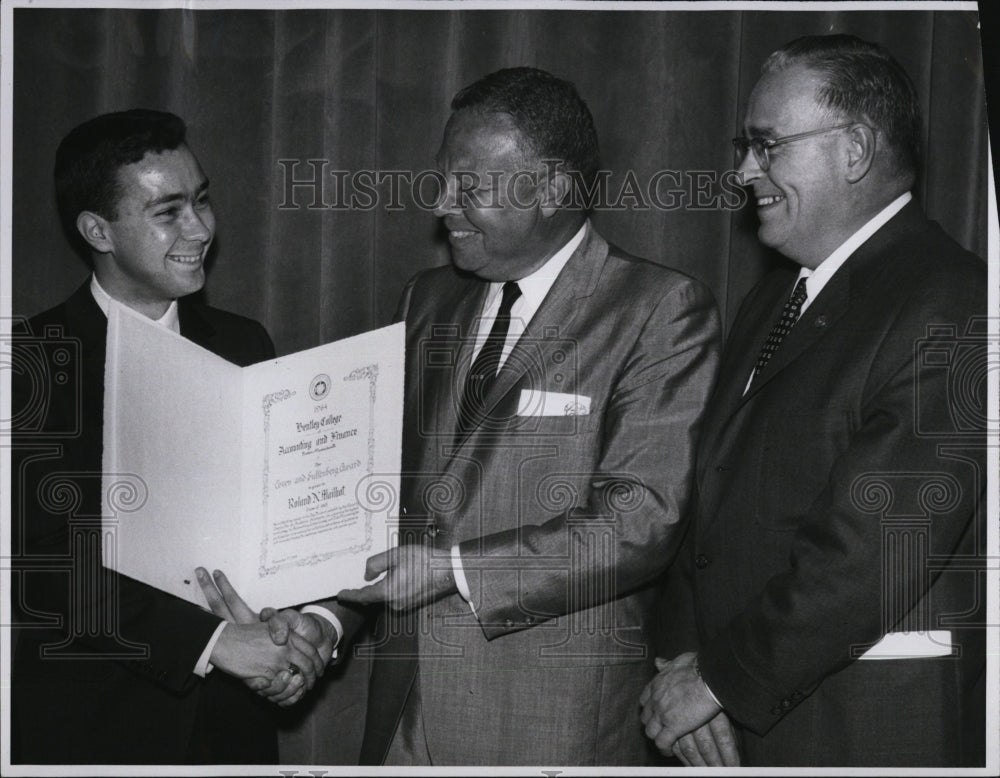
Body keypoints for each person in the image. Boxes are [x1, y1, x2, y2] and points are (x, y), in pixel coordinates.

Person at [203, 66, 721, 765]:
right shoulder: (427, 300)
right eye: (442, 179)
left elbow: (640, 519)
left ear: (555, 189)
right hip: (401, 716)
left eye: (470, 187)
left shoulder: (657, 310)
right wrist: (327, 619)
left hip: (548, 721)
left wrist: (451, 570)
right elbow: (384, 500)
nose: (442, 203)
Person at [640, 34, 987, 767]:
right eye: (745, 146)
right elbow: (709, 500)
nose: (743, 172)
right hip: (737, 716)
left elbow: (875, 551)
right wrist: (682, 660)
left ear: (854, 149)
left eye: (767, 146)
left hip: (858, 726)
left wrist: (719, 678)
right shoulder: (777, 296)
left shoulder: (954, 301)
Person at [10, 109, 326, 765]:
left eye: (203, 200)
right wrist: (214, 644)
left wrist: (298, 632)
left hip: (234, 732)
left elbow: (284, 517)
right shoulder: (32, 362)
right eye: (169, 211)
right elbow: (43, 565)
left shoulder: (245, 342)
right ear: (98, 229)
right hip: (93, 732)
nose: (201, 229)